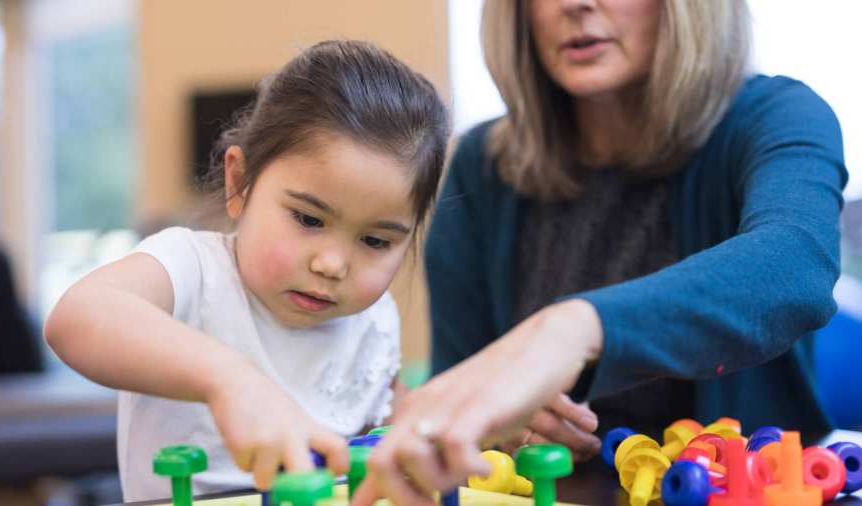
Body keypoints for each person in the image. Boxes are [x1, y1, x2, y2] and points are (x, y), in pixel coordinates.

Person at [352, 1, 847, 504]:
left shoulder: (777, 115)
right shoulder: (480, 166)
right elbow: (463, 410)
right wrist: (502, 432)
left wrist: (573, 331)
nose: (576, 4)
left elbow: (795, 265)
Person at [44, 40, 448, 501]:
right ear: (239, 184)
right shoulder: (192, 269)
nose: (332, 264)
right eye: (308, 219)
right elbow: (76, 317)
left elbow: (387, 441)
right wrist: (228, 380)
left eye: (376, 241)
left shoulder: (374, 321)